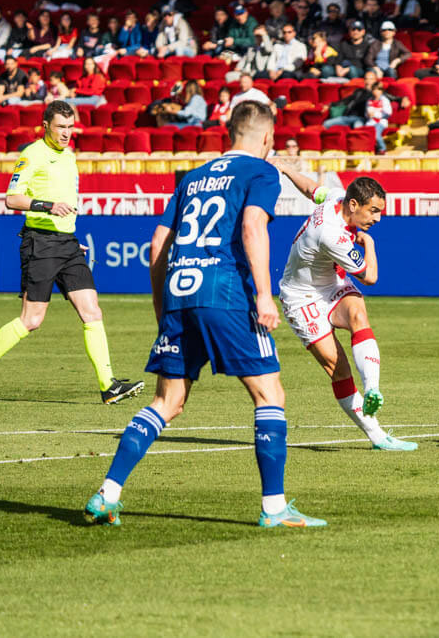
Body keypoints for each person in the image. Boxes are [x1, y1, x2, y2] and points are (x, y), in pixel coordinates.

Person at [82, 100, 324, 528]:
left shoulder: (192, 177)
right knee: (269, 395)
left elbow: (158, 245)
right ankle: (274, 507)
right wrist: (264, 295)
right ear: (268, 138)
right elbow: (252, 226)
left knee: (167, 401)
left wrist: (162, 307)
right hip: (226, 292)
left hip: (180, 291)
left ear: (229, 134)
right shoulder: (261, 172)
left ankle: (108, 493)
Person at [0, 100, 143, 408]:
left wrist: (69, 237)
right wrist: (48, 207)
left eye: (70, 127)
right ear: (45, 125)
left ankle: (109, 386)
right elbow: (12, 199)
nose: (66, 133)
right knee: (32, 320)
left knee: (92, 312)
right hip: (41, 243)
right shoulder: (32, 154)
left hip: (68, 244)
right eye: (61, 127)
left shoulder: (70, 156)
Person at [274, 164, 416, 453]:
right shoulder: (332, 235)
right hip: (301, 299)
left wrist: (287, 169)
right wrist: (369, 244)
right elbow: (371, 277)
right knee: (338, 369)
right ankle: (377, 436)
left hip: (331, 285)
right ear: (353, 204)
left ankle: (372, 388)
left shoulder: (335, 197)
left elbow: (310, 189)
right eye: (373, 211)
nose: (377, 218)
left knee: (357, 313)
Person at [364, 83, 391, 152]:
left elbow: (388, 114)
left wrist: (375, 114)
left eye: (378, 90)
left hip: (380, 122)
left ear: (381, 91)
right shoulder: (369, 101)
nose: (376, 91)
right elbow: (366, 114)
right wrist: (368, 115)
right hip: (370, 122)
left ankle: (382, 148)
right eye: (374, 90)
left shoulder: (385, 100)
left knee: (376, 135)